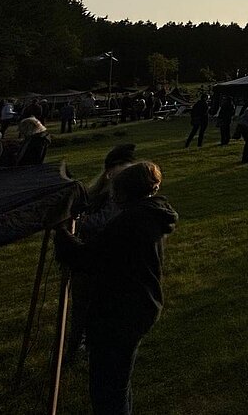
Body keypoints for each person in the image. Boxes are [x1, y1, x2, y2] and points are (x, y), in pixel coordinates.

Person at [55, 161, 177, 415]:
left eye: (115, 191)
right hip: (138, 307)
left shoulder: (129, 223)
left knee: (107, 388)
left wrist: (62, 232)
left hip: (120, 314)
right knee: (119, 382)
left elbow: (90, 258)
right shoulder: (149, 214)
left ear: (125, 193)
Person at [68, 144, 138, 356]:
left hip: (99, 258)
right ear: (109, 173)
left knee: (89, 305)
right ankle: (78, 345)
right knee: (84, 305)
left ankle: (80, 344)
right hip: (90, 256)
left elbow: (101, 222)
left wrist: (76, 222)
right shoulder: (103, 193)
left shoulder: (116, 196)